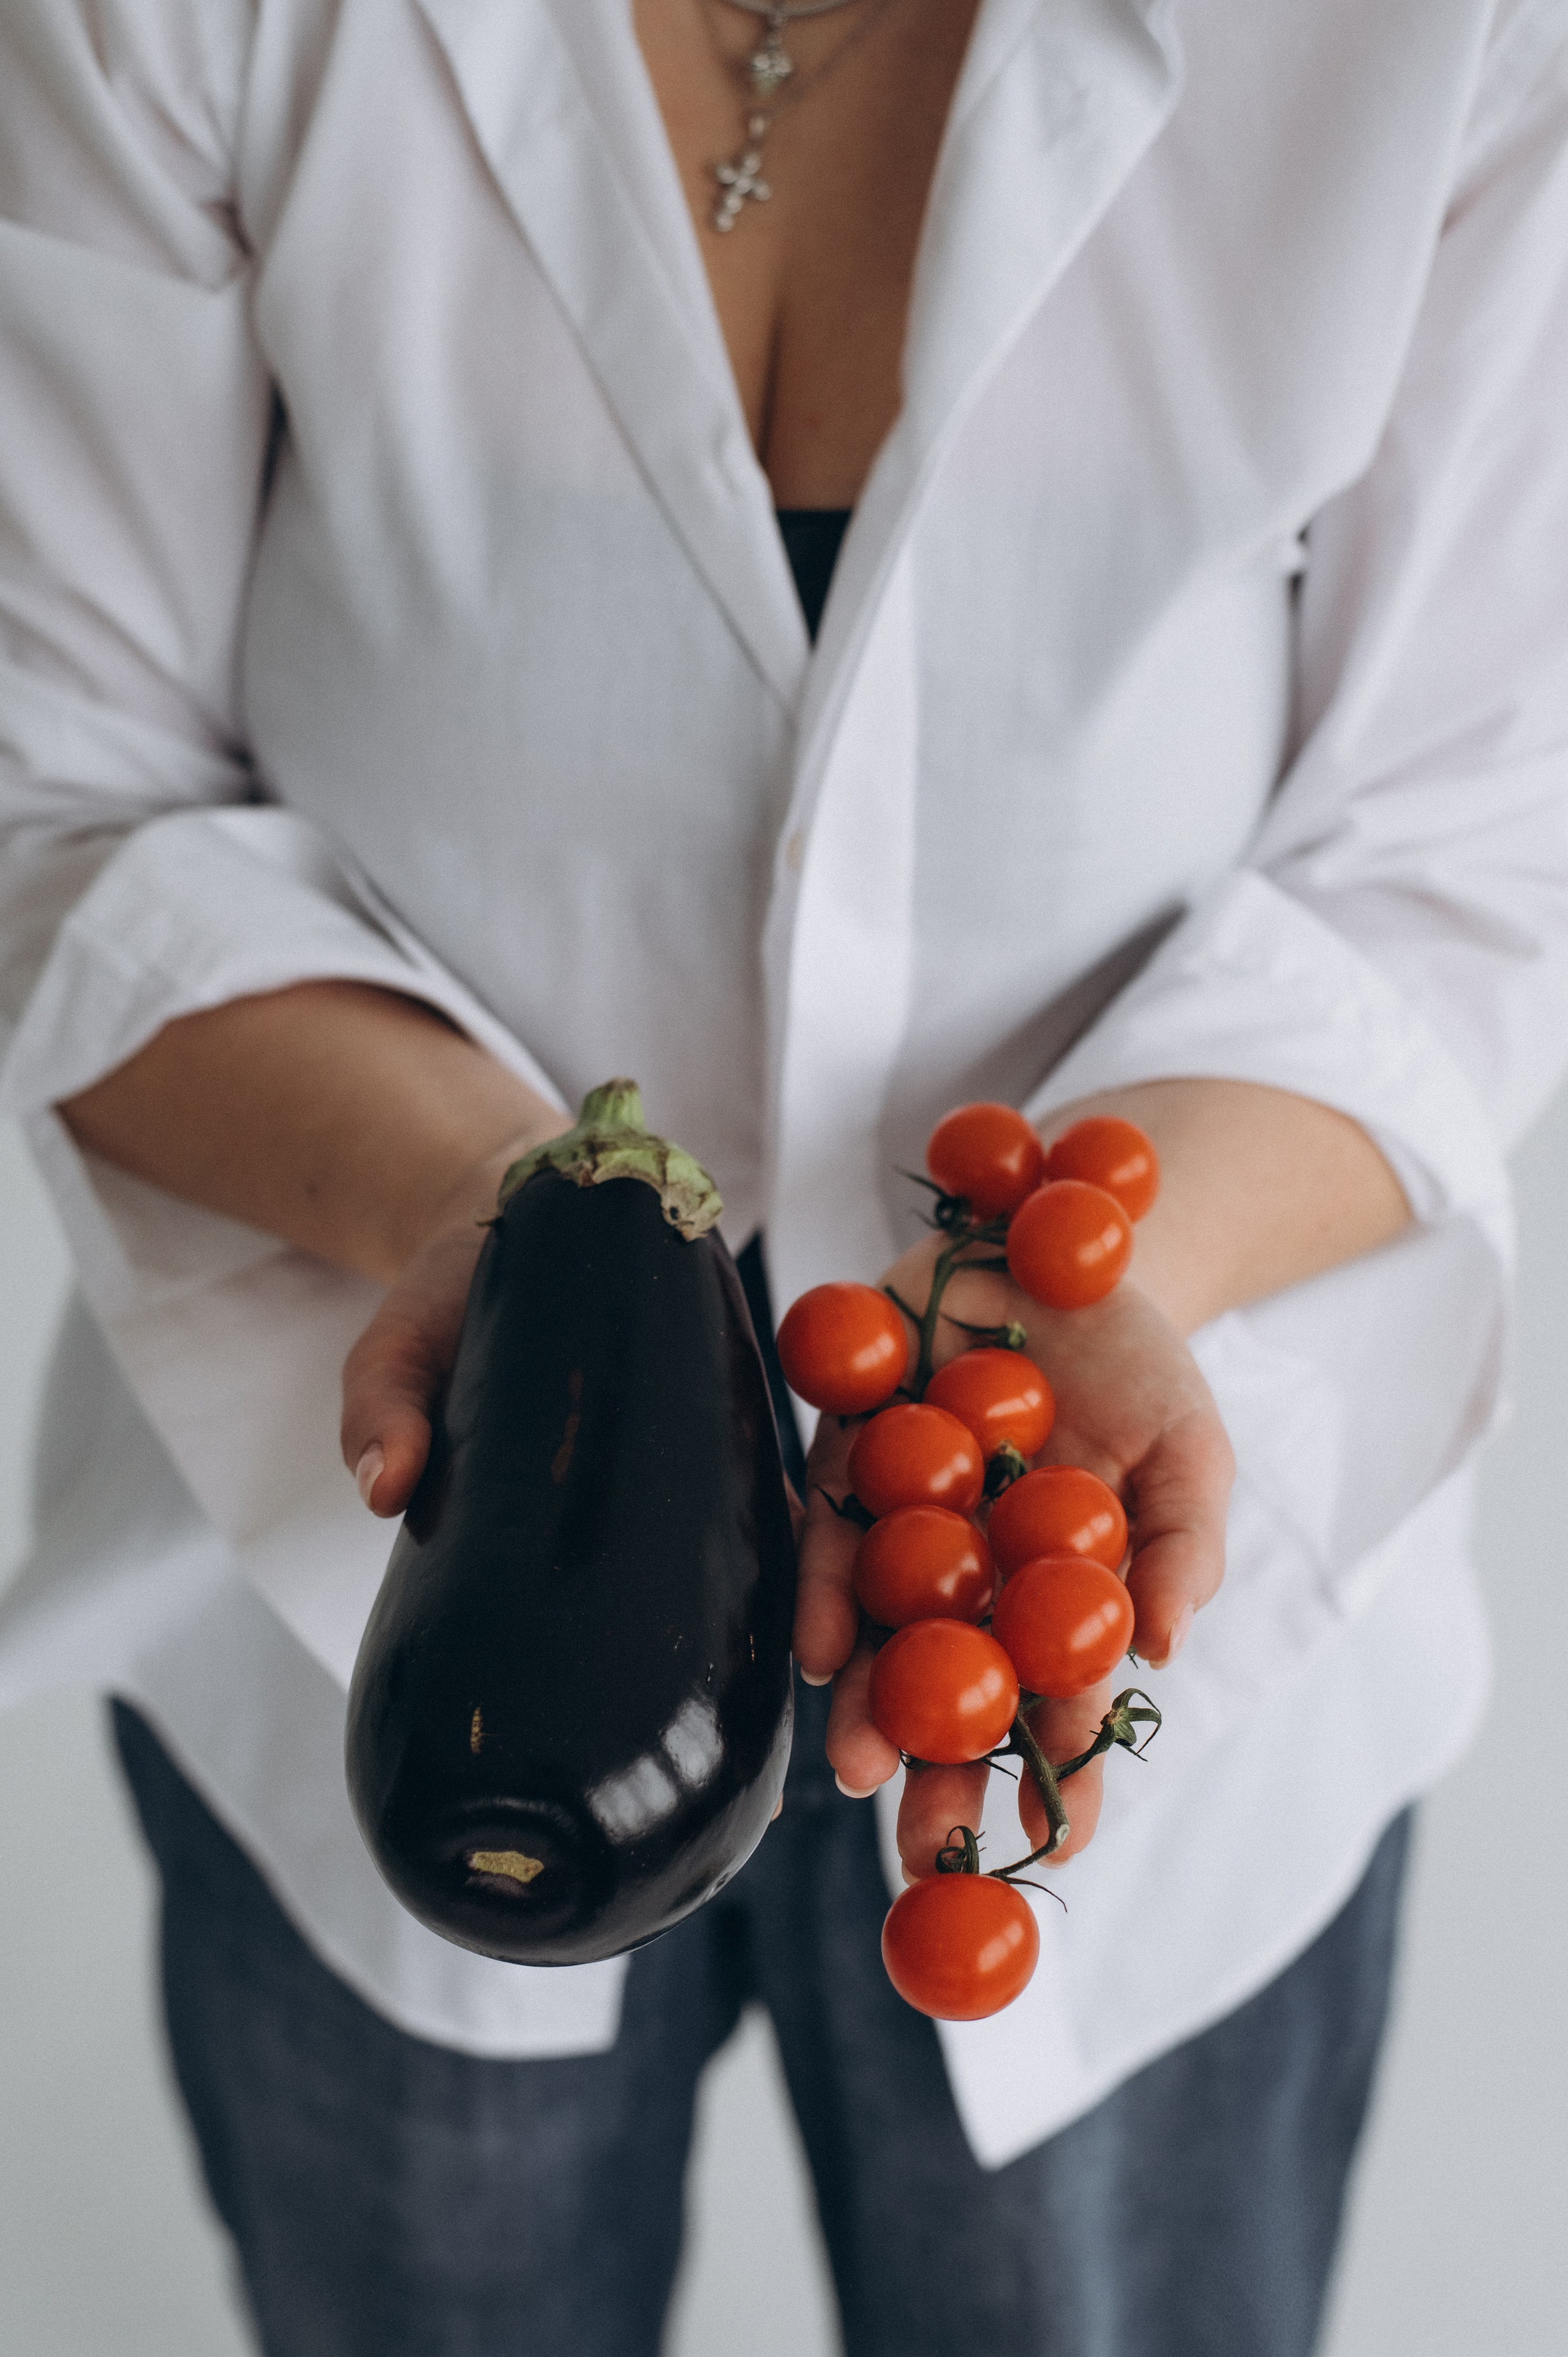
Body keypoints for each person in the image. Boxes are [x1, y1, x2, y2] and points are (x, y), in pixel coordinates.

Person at [1, 1, 1566, 2351]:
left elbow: (1466, 850)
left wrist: (1094, 1261)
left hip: (1086, 1626)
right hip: (364, 1595)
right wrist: (495, 1212)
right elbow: (61, 796)